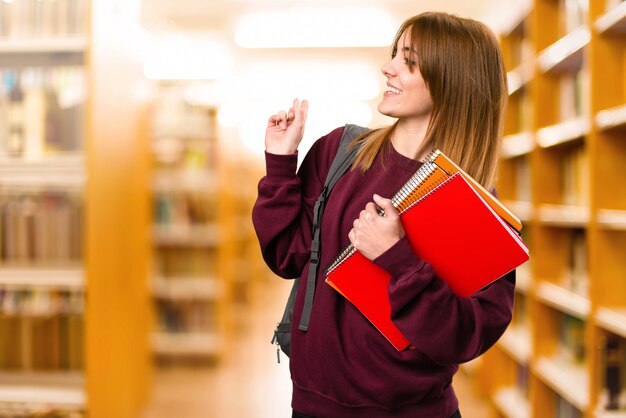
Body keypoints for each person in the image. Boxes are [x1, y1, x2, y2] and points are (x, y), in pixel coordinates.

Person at [252, 11, 515, 418]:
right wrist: (281, 163)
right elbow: (285, 256)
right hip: (312, 405)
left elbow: (468, 335)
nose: (387, 67)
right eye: (396, 54)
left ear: (452, 81)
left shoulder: (475, 205)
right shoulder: (339, 151)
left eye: (408, 61)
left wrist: (399, 259)